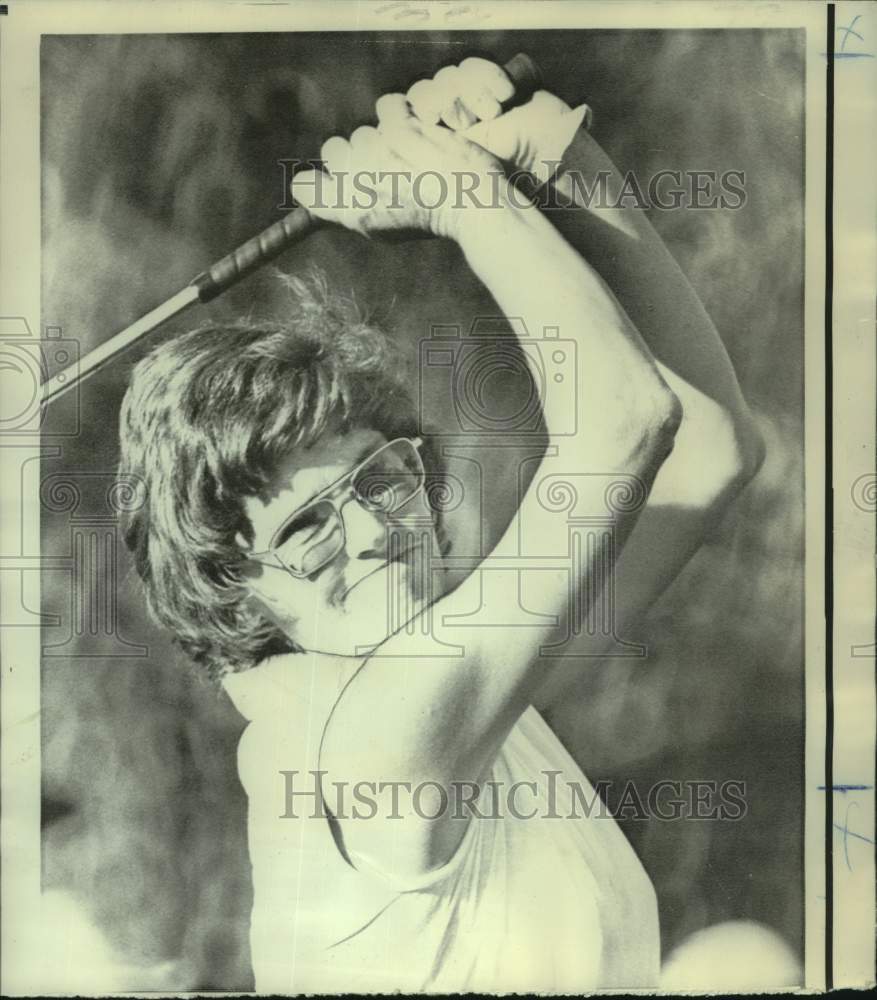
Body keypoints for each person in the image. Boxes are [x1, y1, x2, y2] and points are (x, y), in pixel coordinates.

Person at [119, 58, 770, 992]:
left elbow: (711, 451)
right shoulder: (364, 743)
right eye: (307, 528)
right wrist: (463, 198)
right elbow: (624, 418)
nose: (373, 531)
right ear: (235, 591)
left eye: (380, 479)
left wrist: (556, 165)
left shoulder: (460, 695)